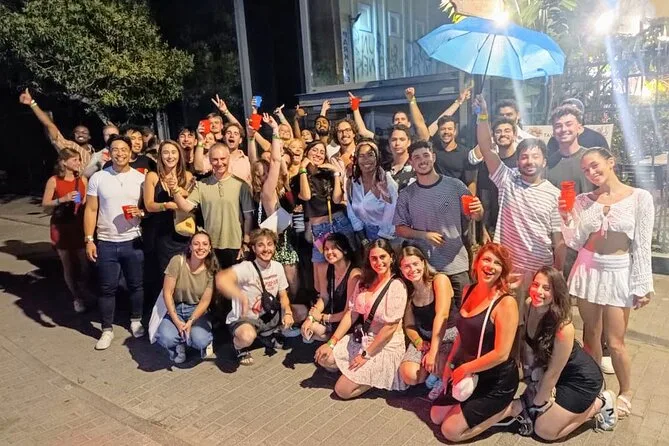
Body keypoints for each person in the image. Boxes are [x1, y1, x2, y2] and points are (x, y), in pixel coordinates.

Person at [559, 147, 654, 419]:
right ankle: (593, 386)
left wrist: (642, 284)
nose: (591, 172)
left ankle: (626, 391)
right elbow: (575, 241)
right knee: (590, 334)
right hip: (588, 269)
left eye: (595, 165)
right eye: (586, 169)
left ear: (610, 162)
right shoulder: (583, 200)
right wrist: (567, 216)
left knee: (615, 341)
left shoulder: (639, 198)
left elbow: (642, 244)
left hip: (619, 271)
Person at [474, 95, 565, 314]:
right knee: (507, 319)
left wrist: (557, 273)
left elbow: (559, 240)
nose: (529, 161)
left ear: (544, 161)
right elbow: (486, 148)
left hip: (539, 272)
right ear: (517, 161)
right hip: (508, 268)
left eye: (535, 156)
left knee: (536, 321)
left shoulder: (555, 194)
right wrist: (482, 114)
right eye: (524, 157)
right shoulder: (507, 179)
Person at [508, 267, 617, 439]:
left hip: (580, 380)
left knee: (544, 431)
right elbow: (526, 346)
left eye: (546, 288)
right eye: (535, 284)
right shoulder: (529, 305)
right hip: (557, 375)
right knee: (537, 416)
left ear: (556, 293)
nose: (538, 291)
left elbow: (553, 372)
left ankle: (601, 403)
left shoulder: (563, 327)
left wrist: (537, 406)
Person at [430, 243, 519, 443]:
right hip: (470, 373)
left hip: (495, 379)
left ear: (503, 270)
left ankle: (510, 409)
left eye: (497, 263)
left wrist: (464, 369)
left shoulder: (506, 303)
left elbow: (502, 354)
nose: (491, 266)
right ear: (476, 263)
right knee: (436, 416)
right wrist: (450, 363)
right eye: (486, 259)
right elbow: (462, 334)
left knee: (450, 431)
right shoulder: (468, 290)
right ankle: (470, 410)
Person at [394, 140, 483, 310]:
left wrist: (478, 210)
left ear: (433, 157)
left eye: (426, 155)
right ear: (411, 162)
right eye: (417, 157)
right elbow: (399, 229)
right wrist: (424, 235)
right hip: (427, 269)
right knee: (434, 317)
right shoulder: (406, 194)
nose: (422, 160)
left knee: (464, 312)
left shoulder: (455, 186)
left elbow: (475, 216)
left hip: (457, 265)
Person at [314, 239, 409, 399]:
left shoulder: (397, 286)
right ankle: (358, 374)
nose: (378, 262)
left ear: (391, 257)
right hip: (364, 338)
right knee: (325, 358)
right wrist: (331, 342)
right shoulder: (364, 282)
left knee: (342, 391)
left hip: (385, 345)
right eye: (374, 258)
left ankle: (374, 377)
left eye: (382, 257)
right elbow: (351, 314)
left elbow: (390, 328)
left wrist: (366, 355)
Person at [84, 135, 147, 350]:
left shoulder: (140, 178)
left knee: (136, 285)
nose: (120, 153)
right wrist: (89, 239)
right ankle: (106, 329)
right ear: (109, 153)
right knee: (106, 288)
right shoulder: (99, 177)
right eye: (115, 149)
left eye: (123, 149)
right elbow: (91, 209)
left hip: (133, 240)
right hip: (106, 242)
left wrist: (142, 212)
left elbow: (147, 208)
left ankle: (136, 320)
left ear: (131, 152)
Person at [216, 229, 306, 365]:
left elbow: (283, 295)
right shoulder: (247, 267)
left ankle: (268, 334)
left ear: (274, 247)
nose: (266, 249)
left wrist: (287, 312)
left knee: (302, 311)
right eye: (260, 245)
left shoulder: (277, 267)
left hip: (268, 315)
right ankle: (238, 346)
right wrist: (239, 295)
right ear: (253, 248)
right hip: (247, 318)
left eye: (270, 244)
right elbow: (221, 278)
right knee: (247, 337)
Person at [172, 143, 254, 270]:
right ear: (210, 160)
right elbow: (186, 207)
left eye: (223, 159)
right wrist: (174, 190)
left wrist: (246, 243)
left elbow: (248, 217)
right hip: (210, 245)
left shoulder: (241, 185)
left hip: (235, 245)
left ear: (228, 158)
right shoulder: (202, 185)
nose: (219, 163)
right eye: (215, 159)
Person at [298, 141, 357, 304]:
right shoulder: (298, 177)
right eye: (314, 150)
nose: (318, 154)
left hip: (338, 222)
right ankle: (325, 304)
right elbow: (306, 196)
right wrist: (303, 168)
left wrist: (336, 173)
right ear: (307, 153)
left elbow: (337, 199)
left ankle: (350, 301)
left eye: (322, 152)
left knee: (350, 263)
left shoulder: (327, 175)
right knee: (319, 282)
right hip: (319, 229)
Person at [250, 115, 300, 297]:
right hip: (273, 244)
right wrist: (255, 136)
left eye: (266, 173)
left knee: (288, 287)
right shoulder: (263, 192)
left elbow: (273, 162)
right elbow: (257, 161)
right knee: (280, 287)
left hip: (279, 243)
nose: (263, 177)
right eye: (259, 175)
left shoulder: (267, 191)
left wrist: (273, 131)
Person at [398, 245, 457, 394]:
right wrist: (419, 342)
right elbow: (409, 325)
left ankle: (441, 375)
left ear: (423, 263)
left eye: (415, 264)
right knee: (409, 375)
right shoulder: (409, 292)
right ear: (401, 269)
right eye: (407, 266)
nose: (412, 269)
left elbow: (442, 315)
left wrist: (433, 352)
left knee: (439, 364)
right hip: (425, 337)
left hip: (447, 334)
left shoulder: (439, 280)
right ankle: (433, 374)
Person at [155, 231, 218, 363]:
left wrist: (190, 321)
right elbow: (167, 292)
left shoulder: (211, 270)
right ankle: (179, 345)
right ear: (190, 247)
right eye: (196, 244)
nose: (200, 247)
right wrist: (176, 321)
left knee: (200, 340)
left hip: (196, 309)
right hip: (175, 308)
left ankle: (201, 341)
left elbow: (205, 301)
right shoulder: (177, 261)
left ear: (209, 248)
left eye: (205, 244)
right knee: (166, 338)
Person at [42, 148, 90, 313]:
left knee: (84, 262)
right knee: (67, 263)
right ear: (64, 162)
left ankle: (83, 288)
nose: (78, 163)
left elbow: (87, 202)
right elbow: (45, 205)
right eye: (74, 160)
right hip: (61, 225)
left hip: (79, 224)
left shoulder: (82, 179)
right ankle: (77, 297)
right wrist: (62, 199)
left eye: (79, 159)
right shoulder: (54, 180)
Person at [143, 140, 194, 284]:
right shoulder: (152, 176)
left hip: (184, 231)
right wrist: (166, 205)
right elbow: (149, 205)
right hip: (161, 234)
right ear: (160, 156)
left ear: (179, 155)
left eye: (173, 152)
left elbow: (193, 201)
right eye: (166, 152)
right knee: (166, 277)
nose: (170, 156)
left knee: (185, 275)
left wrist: (180, 191)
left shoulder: (188, 176)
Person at [301, 233, 361, 342]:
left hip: (345, 319)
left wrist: (323, 317)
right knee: (307, 329)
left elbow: (348, 311)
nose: (329, 252)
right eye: (326, 249)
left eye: (333, 248)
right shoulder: (324, 268)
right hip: (330, 315)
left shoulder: (354, 274)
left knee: (314, 333)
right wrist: (311, 318)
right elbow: (324, 297)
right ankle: (329, 338)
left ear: (345, 250)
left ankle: (334, 339)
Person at [469, 117, 519, 240]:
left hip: (519, 225)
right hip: (494, 226)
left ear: (515, 135)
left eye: (507, 131)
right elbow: (485, 199)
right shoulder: (488, 164)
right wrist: (484, 229)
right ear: (493, 137)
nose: (503, 134)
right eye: (498, 131)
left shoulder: (522, 162)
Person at [19, 88, 95, 168]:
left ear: (89, 136)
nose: (80, 134)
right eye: (77, 132)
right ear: (73, 135)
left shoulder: (96, 152)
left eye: (84, 132)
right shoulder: (68, 146)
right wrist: (32, 103)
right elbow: (49, 125)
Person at [346, 139, 399, 243]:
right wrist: (364, 241)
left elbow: (392, 213)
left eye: (370, 155)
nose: (366, 160)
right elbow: (351, 212)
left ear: (377, 157)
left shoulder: (386, 182)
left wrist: (381, 240)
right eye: (361, 156)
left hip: (387, 236)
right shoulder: (353, 183)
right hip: (363, 236)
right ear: (356, 159)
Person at [431, 116, 476, 191]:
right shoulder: (432, 151)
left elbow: (471, 182)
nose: (446, 132)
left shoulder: (465, 153)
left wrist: (470, 197)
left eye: (450, 129)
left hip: (458, 194)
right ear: (438, 132)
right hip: (437, 194)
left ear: (455, 131)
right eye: (443, 129)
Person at [387, 125, 416, 192]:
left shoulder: (416, 166)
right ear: (389, 142)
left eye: (402, 139)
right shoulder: (383, 168)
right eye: (394, 140)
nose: (397, 143)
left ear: (409, 142)